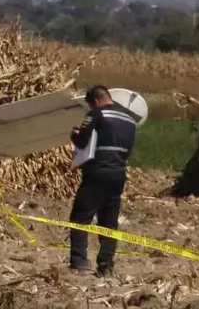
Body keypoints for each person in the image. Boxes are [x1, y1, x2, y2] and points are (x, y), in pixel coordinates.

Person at [68, 84, 139, 276]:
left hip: (97, 172)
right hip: (118, 174)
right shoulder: (130, 119)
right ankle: (106, 265)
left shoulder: (97, 114)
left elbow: (83, 141)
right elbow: (129, 150)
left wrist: (74, 135)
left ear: (96, 101)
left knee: (80, 218)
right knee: (109, 223)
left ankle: (79, 262)